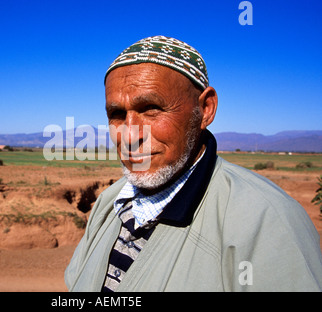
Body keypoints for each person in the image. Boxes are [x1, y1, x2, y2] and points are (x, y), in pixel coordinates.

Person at [64, 35, 322, 291]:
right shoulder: (109, 203)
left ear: (205, 109)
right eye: (117, 114)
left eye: (151, 108)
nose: (130, 135)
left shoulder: (266, 222)